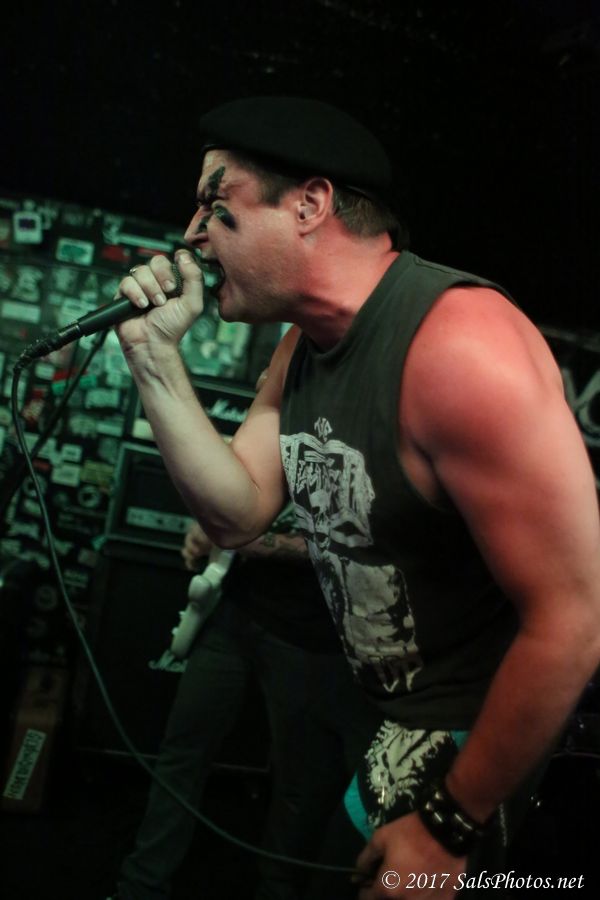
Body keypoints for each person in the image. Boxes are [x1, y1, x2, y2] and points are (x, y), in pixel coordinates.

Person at [113, 97, 600, 898]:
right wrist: (154, 359)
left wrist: (452, 822)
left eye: (214, 203)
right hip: (397, 722)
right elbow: (236, 514)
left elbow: (575, 617)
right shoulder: (303, 345)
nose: (192, 233)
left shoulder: (458, 347)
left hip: (487, 740)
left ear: (310, 204)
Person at [108, 505, 381, 900]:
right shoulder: (275, 455)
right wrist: (208, 523)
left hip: (309, 639)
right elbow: (239, 498)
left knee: (297, 786)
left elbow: (347, 544)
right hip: (233, 613)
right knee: (180, 756)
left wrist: (246, 542)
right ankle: (139, 889)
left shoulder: (369, 466)